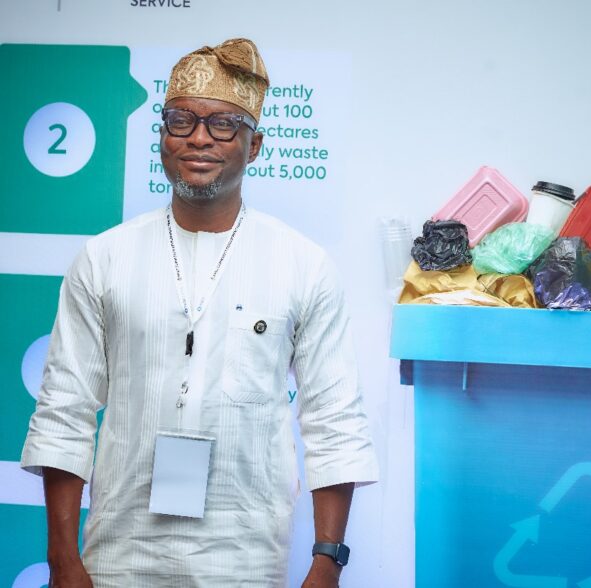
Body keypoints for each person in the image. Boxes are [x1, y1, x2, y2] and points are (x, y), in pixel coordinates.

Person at [21, 38, 378, 588]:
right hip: (119, 552)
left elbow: (334, 420)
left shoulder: (302, 265)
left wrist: (327, 562)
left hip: (244, 556)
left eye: (224, 125)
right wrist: (63, 561)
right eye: (181, 120)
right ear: (163, 137)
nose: (199, 138)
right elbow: (64, 411)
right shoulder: (105, 258)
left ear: (254, 146)